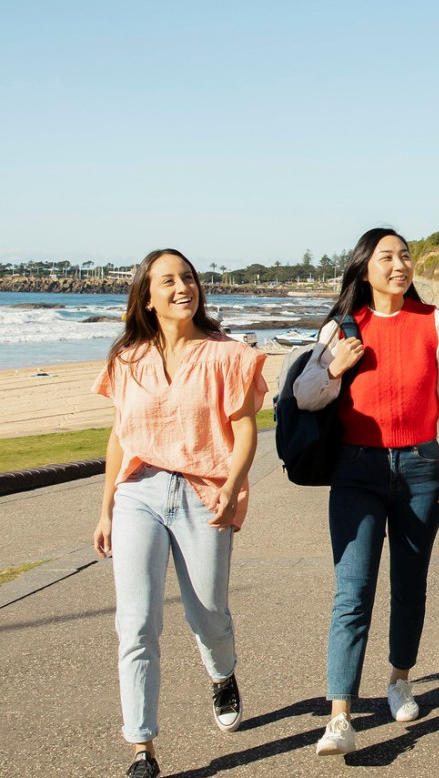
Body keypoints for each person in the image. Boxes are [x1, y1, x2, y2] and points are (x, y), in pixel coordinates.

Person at [293, 227, 439, 756]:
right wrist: (336, 364)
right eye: (387, 257)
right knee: (352, 591)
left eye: (405, 256)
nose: (399, 265)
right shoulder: (342, 327)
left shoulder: (435, 322)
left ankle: (399, 679)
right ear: (364, 267)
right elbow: (305, 395)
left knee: (410, 583)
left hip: (421, 466)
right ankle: (341, 715)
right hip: (356, 469)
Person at [92, 249, 268, 778]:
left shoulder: (228, 355)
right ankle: (142, 748)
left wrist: (231, 488)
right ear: (147, 296)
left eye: (187, 277)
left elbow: (243, 432)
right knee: (136, 623)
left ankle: (222, 674)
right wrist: (105, 510)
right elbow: (120, 437)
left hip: (203, 493)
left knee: (207, 614)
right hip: (137, 495)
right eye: (167, 281)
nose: (181, 287)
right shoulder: (128, 358)